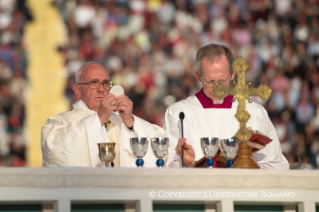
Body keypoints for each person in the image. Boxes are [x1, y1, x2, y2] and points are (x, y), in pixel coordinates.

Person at [164, 44, 289, 169]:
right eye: (210, 81)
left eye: (223, 81)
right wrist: (187, 163)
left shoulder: (255, 112)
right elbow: (167, 168)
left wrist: (253, 167)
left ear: (233, 74)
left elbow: (276, 166)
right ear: (198, 76)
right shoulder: (179, 113)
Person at [41, 62, 165, 167]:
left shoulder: (121, 120)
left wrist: (131, 123)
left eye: (105, 83)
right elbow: (56, 152)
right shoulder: (61, 122)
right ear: (78, 90)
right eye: (94, 83)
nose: (101, 89)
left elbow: (161, 147)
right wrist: (99, 118)